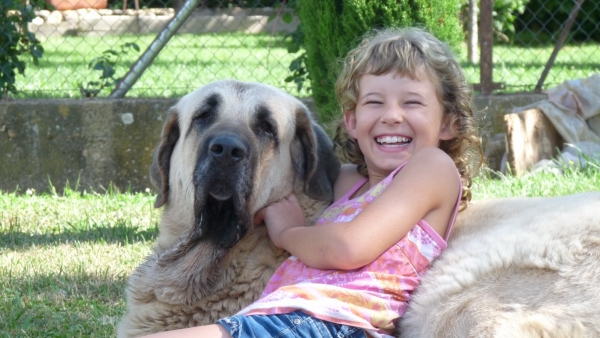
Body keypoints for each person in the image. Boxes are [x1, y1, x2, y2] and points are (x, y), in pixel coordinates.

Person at [142, 27, 483, 338]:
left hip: (332, 322)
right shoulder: (347, 181)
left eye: (412, 102)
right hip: (290, 317)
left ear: (449, 123)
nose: (392, 115)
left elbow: (348, 248)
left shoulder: (431, 167)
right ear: (352, 120)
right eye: (374, 102)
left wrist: (288, 233)